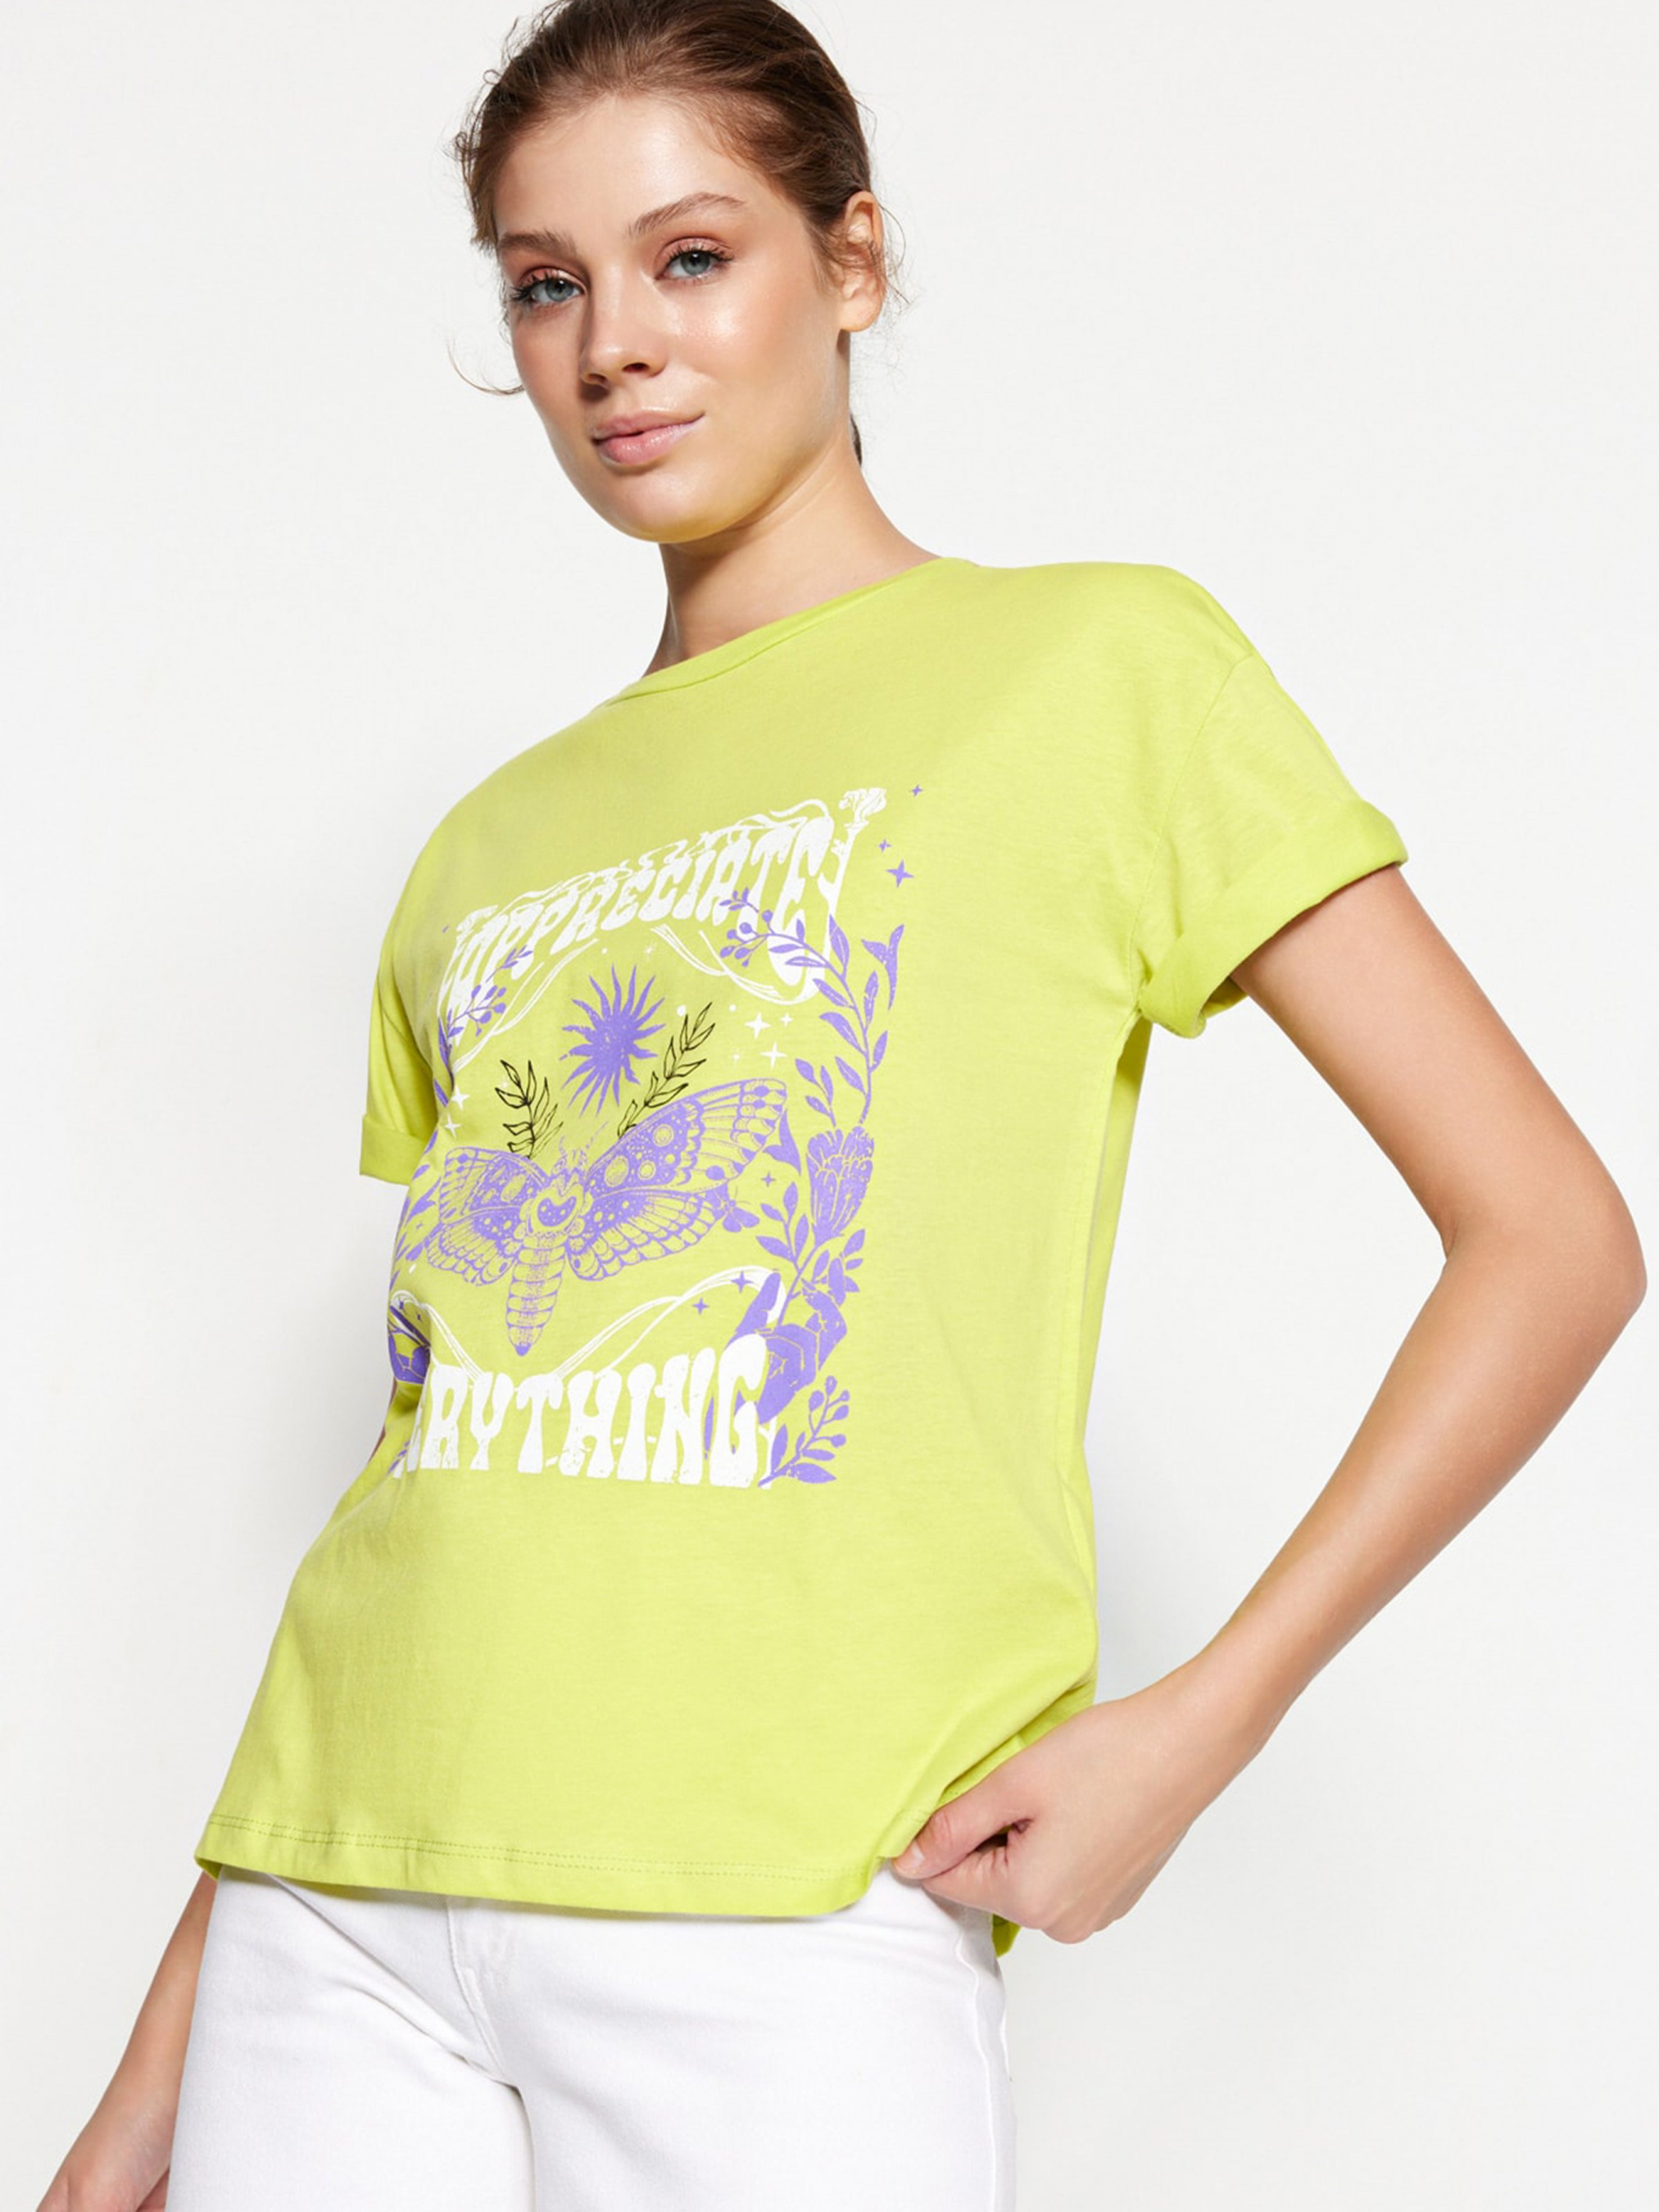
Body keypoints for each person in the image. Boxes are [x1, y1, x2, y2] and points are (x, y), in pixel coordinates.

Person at [38, 1, 1646, 2208]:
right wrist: (160, 2061)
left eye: (691, 256)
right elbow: (442, 1448)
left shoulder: (1099, 669)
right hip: (335, 1922)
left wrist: (1197, 1730)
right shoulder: (487, 844)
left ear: (853, 262)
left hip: (783, 1901)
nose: (615, 342)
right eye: (545, 282)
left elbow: (1553, 1238)